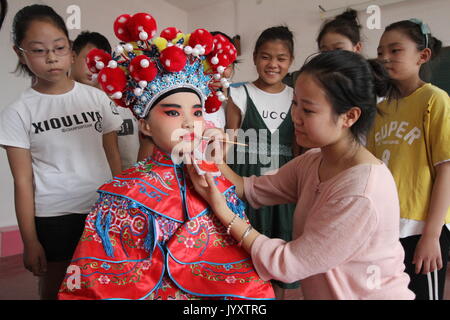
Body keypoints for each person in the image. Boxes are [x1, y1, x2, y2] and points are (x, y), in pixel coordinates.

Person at [57, 12, 274, 300]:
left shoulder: (217, 181)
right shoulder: (123, 195)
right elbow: (101, 281)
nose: (188, 122)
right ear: (145, 125)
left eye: (197, 112)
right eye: (173, 112)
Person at [188, 50, 415, 300]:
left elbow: (288, 263)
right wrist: (214, 159)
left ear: (349, 116)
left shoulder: (361, 192)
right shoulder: (312, 161)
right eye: (294, 103)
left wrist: (225, 214)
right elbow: (249, 189)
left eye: (308, 110)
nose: (295, 117)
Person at [0, 4, 123, 300]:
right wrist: (30, 241)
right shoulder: (18, 112)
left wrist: (123, 206)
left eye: (59, 47)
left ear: (70, 49)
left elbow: (113, 156)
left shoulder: (97, 99)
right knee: (57, 288)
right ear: (21, 54)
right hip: (54, 216)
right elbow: (23, 181)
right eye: (39, 50)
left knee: (107, 285)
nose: (52, 57)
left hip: (102, 208)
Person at [367, 19, 450, 300]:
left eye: (395, 50)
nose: (385, 58)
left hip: (421, 229)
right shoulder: (380, 109)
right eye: (380, 52)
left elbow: (446, 171)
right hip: (386, 230)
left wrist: (432, 235)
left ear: (422, 56)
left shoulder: (434, 100)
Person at [225, 25, 299, 296]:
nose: (273, 64)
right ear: (255, 57)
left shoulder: (296, 97)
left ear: (290, 61)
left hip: (282, 192)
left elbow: (298, 148)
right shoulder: (239, 94)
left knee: (280, 260)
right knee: (243, 258)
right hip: (244, 189)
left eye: (281, 58)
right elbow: (226, 145)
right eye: (266, 56)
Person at [71, 31, 140, 170]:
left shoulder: (125, 100)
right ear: (72, 57)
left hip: (132, 185)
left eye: (101, 62)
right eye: (88, 60)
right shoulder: (64, 105)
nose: (94, 68)